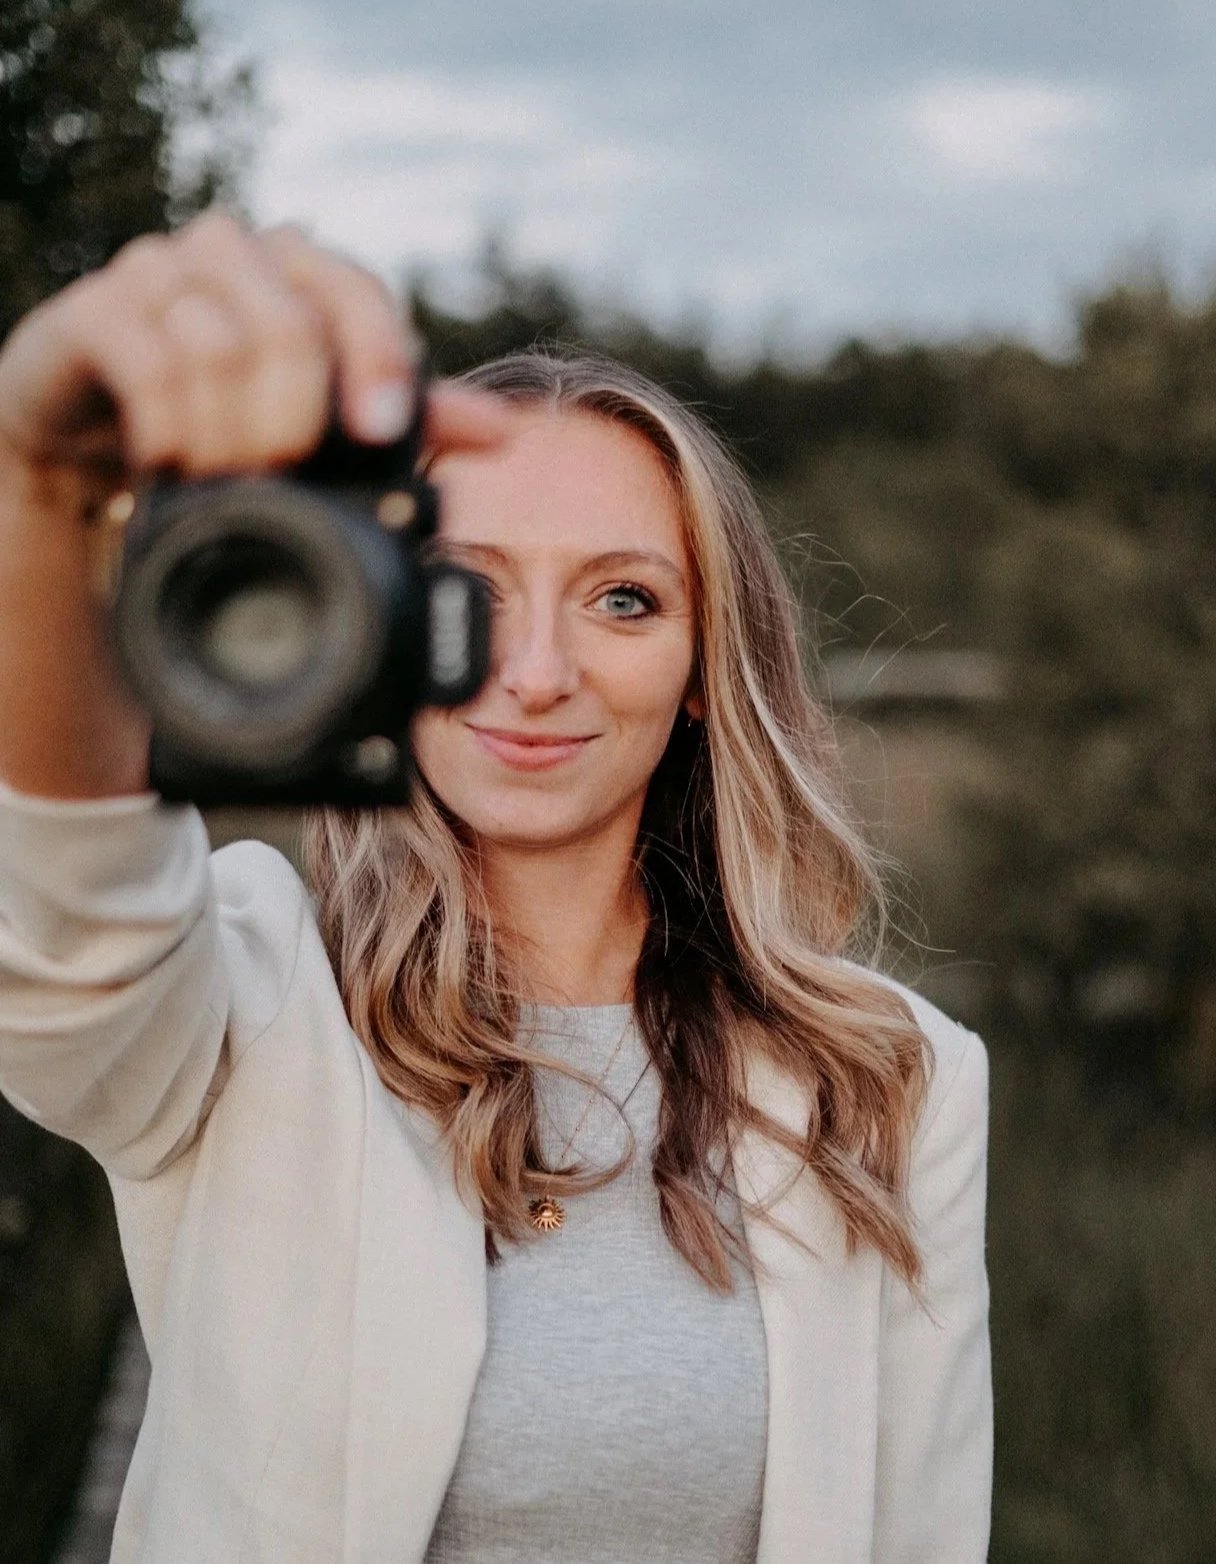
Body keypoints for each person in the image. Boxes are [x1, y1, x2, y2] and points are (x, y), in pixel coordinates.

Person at [0, 211, 991, 1564]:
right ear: (390, 634)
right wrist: (46, 504)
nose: (535, 674)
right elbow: (66, 942)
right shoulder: (250, 999)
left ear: (706, 668)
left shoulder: (893, 1079)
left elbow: (919, 1536)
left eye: (624, 600)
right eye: (467, 590)